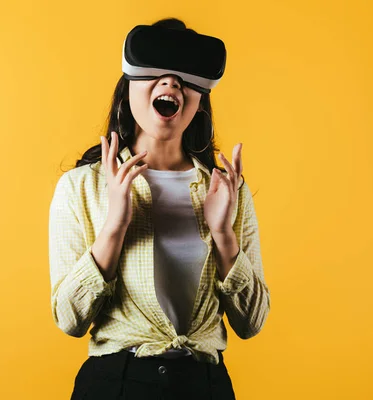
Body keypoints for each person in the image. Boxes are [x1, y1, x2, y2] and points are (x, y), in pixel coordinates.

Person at [49, 17, 271, 400]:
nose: (171, 84)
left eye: (184, 78)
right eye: (159, 73)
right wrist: (114, 228)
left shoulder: (229, 190)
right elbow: (69, 319)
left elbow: (251, 323)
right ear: (128, 90)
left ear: (199, 101)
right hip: (115, 384)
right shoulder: (80, 187)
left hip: (205, 387)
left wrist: (223, 235)